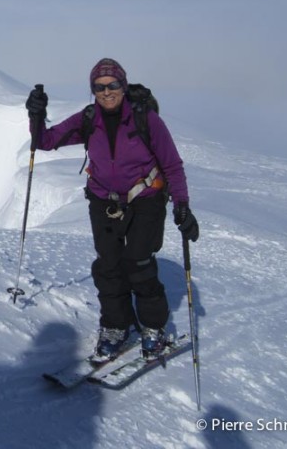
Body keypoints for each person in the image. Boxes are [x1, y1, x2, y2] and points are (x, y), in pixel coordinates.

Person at [25, 58, 199, 361]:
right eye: (99, 87)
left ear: (124, 84)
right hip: (103, 202)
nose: (107, 91)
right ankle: (115, 328)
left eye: (113, 85)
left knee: (139, 264)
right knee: (109, 266)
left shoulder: (147, 120)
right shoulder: (89, 119)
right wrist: (35, 114)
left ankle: (152, 329)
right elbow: (45, 141)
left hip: (146, 201)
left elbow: (172, 165)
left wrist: (182, 205)